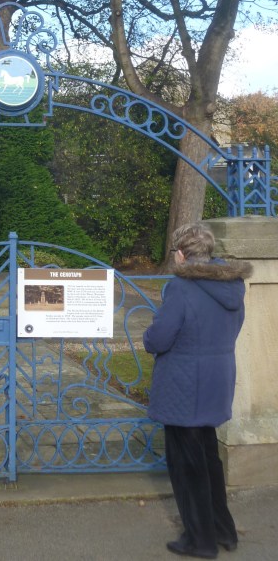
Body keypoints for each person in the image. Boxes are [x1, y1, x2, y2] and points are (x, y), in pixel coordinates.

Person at [143, 222, 251, 559]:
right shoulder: (232, 285)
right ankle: (223, 530)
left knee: (188, 466)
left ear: (180, 254)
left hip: (185, 383)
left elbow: (159, 338)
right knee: (208, 458)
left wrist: (149, 336)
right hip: (217, 378)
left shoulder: (182, 287)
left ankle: (200, 540)